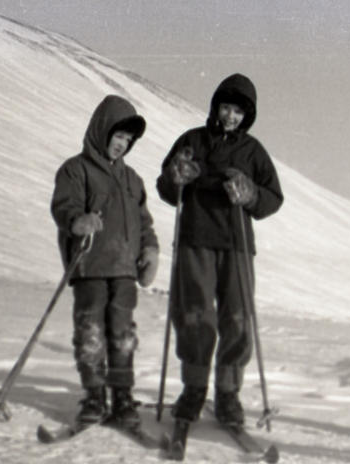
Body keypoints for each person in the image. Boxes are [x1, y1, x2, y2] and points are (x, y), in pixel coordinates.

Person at [155, 73, 283, 440]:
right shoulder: (191, 140)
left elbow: (272, 199)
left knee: (238, 316)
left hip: (237, 242)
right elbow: (166, 187)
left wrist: (250, 194)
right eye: (227, 108)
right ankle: (194, 388)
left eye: (239, 112)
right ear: (216, 107)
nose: (231, 117)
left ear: (247, 116)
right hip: (196, 237)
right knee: (195, 313)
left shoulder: (253, 151)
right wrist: (176, 176)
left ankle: (228, 392)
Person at [50, 94, 159, 432]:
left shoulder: (133, 181)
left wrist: (150, 250)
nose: (122, 145)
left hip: (125, 272)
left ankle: (123, 395)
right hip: (90, 268)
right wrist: (77, 221)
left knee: (123, 334)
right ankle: (95, 395)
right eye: (118, 136)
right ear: (102, 132)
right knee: (91, 332)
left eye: (128, 140)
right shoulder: (76, 169)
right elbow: (64, 206)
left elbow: (144, 223)